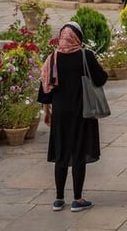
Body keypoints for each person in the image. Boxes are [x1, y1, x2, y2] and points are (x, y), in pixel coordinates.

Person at [38, 21, 107, 212]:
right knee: (78, 154)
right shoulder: (85, 56)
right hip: (82, 112)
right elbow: (101, 78)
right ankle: (78, 198)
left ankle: (59, 199)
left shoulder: (53, 58)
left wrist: (47, 111)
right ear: (78, 37)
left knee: (61, 154)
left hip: (60, 113)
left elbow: (45, 87)